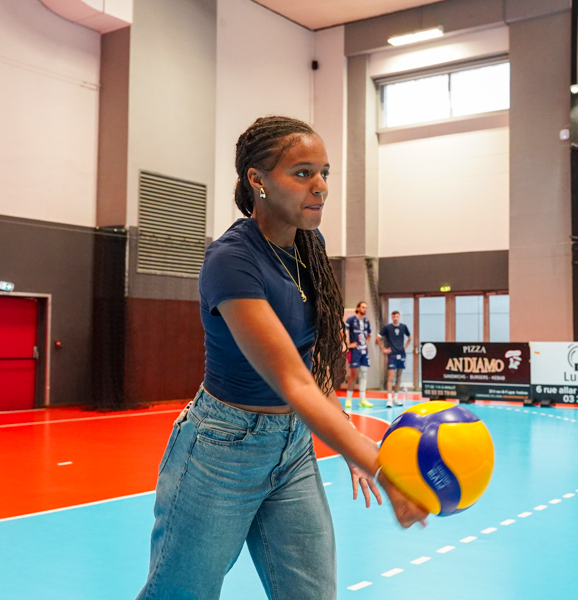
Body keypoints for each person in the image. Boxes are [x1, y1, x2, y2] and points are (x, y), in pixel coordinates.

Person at [136, 116, 427, 600]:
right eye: (303, 173)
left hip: (292, 447)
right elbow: (292, 380)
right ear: (258, 180)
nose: (321, 186)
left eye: (325, 173)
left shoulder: (311, 247)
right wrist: (376, 462)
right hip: (221, 449)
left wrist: (346, 442)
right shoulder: (231, 260)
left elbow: (314, 366)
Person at [377, 311, 412, 408]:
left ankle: (396, 397)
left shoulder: (403, 327)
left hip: (401, 354)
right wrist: (383, 349)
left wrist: (405, 347)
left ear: (399, 317)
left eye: (397, 316)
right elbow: (378, 338)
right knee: (391, 377)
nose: (395, 318)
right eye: (394, 316)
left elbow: (410, 337)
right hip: (392, 354)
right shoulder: (387, 327)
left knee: (399, 377)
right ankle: (389, 399)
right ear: (392, 317)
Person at [344, 302, 373, 409]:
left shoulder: (366, 321)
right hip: (354, 351)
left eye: (366, 308)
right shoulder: (351, 320)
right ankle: (349, 398)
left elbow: (369, 334)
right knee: (354, 374)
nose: (365, 309)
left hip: (364, 351)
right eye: (363, 307)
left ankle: (363, 399)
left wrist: (366, 342)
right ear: (358, 308)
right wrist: (348, 344)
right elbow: (343, 332)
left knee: (364, 375)